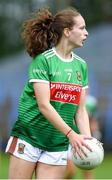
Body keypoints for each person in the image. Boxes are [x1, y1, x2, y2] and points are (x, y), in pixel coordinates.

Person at [5, 7, 92, 179]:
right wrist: (72, 134)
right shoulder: (43, 61)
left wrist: (87, 141)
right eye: (81, 28)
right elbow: (44, 106)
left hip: (57, 142)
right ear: (67, 31)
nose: (86, 33)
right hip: (29, 137)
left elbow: (80, 111)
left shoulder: (81, 66)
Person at [65, 94, 101, 179]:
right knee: (71, 171)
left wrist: (95, 133)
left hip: (84, 139)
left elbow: (93, 119)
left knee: (87, 171)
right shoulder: (66, 98)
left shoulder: (91, 102)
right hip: (69, 139)